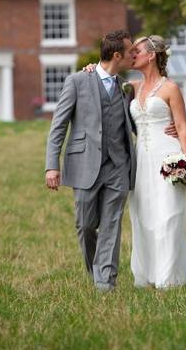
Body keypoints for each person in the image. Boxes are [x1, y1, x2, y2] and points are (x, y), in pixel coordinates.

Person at [44, 29, 136, 292]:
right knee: (85, 225)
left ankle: (105, 283)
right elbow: (58, 125)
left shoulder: (125, 86)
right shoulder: (77, 81)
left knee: (112, 225)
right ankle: (95, 271)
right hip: (85, 165)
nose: (134, 56)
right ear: (117, 55)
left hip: (119, 166)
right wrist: (52, 165)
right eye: (130, 52)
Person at [127, 35, 186, 288]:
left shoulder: (170, 89)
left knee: (169, 215)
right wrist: (90, 67)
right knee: (144, 216)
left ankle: (168, 279)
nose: (131, 54)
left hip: (168, 157)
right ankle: (148, 275)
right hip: (141, 161)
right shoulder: (131, 88)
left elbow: (181, 128)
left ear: (151, 55)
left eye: (136, 50)